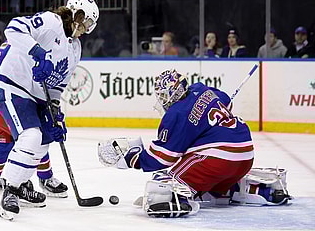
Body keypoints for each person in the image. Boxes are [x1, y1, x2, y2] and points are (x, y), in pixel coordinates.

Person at [98, 69, 291, 217]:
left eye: (164, 95)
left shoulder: (176, 114)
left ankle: (177, 199)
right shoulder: (200, 88)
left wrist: (132, 158)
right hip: (245, 154)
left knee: (166, 181)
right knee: (207, 182)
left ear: (173, 93)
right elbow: (226, 102)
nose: (163, 100)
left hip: (219, 158)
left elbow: (163, 157)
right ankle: (253, 188)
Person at [0, 0, 99, 220]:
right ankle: (9, 190)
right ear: (77, 15)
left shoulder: (75, 49)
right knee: (31, 136)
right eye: (88, 22)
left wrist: (55, 111)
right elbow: (13, 29)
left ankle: (20, 184)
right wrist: (37, 52)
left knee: (44, 140)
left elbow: (58, 85)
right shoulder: (52, 22)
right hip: (14, 86)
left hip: (37, 96)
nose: (88, 28)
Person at [0, 43, 68, 198]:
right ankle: (35, 180)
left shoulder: (20, 39)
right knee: (31, 133)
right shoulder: (32, 46)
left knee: (4, 139)